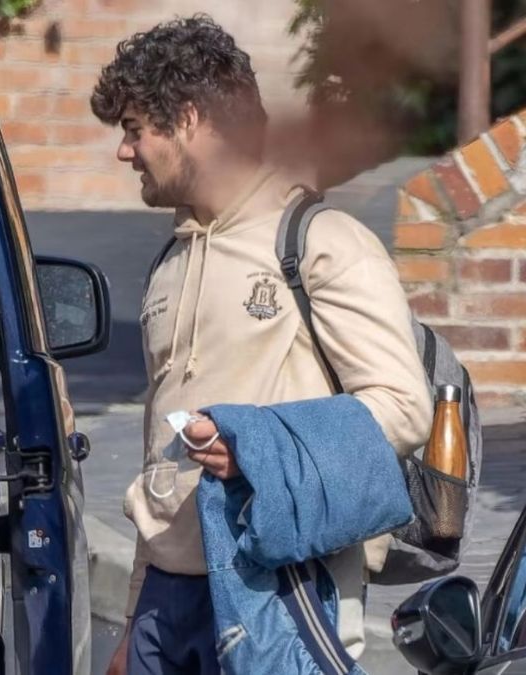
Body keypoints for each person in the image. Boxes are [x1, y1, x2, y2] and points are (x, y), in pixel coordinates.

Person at [90, 16, 433, 674]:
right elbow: (159, 456)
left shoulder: (320, 242)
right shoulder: (170, 263)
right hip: (166, 598)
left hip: (284, 588)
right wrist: (136, 621)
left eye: (134, 129)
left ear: (190, 119)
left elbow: (403, 407)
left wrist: (255, 446)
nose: (124, 152)